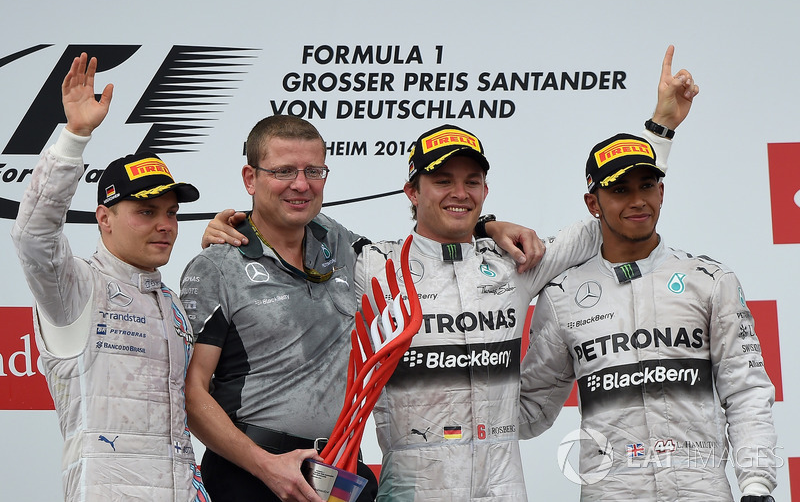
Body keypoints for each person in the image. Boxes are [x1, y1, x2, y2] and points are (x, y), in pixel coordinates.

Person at [199, 45, 698, 501]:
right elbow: (293, 214)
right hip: (412, 486)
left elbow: (602, 224)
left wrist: (661, 127)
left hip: (504, 487)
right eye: (441, 181)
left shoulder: (515, 261)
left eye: (472, 181)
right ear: (412, 191)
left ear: (485, 190)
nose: (458, 192)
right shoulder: (371, 264)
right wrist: (237, 224)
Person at [182, 118, 545, 501]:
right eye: (284, 171)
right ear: (250, 179)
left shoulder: (342, 245)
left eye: (314, 171)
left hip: (336, 468)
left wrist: (486, 226)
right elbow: (191, 393)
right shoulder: (217, 266)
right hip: (253, 472)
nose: (301, 184)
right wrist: (265, 466)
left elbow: (431, 243)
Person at [518, 133, 779, 501]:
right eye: (620, 190)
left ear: (662, 192)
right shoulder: (562, 296)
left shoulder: (708, 280)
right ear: (593, 203)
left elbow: (746, 390)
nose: (638, 200)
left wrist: (755, 483)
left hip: (700, 490)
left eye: (647, 185)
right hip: (610, 491)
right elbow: (530, 409)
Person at [10, 53, 209, 501]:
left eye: (172, 213)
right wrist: (74, 137)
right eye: (145, 211)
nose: (165, 224)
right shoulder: (78, 288)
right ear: (104, 218)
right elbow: (33, 236)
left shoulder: (172, 302)